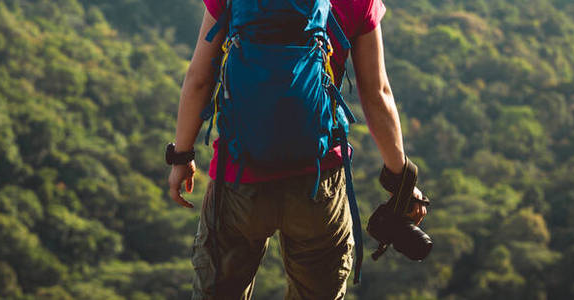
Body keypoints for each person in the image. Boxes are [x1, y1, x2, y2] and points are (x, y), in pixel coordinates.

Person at [167, 0, 427, 298]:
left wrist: (182, 157)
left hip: (239, 179)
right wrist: (402, 180)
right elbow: (376, 94)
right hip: (318, 183)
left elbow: (199, 79)